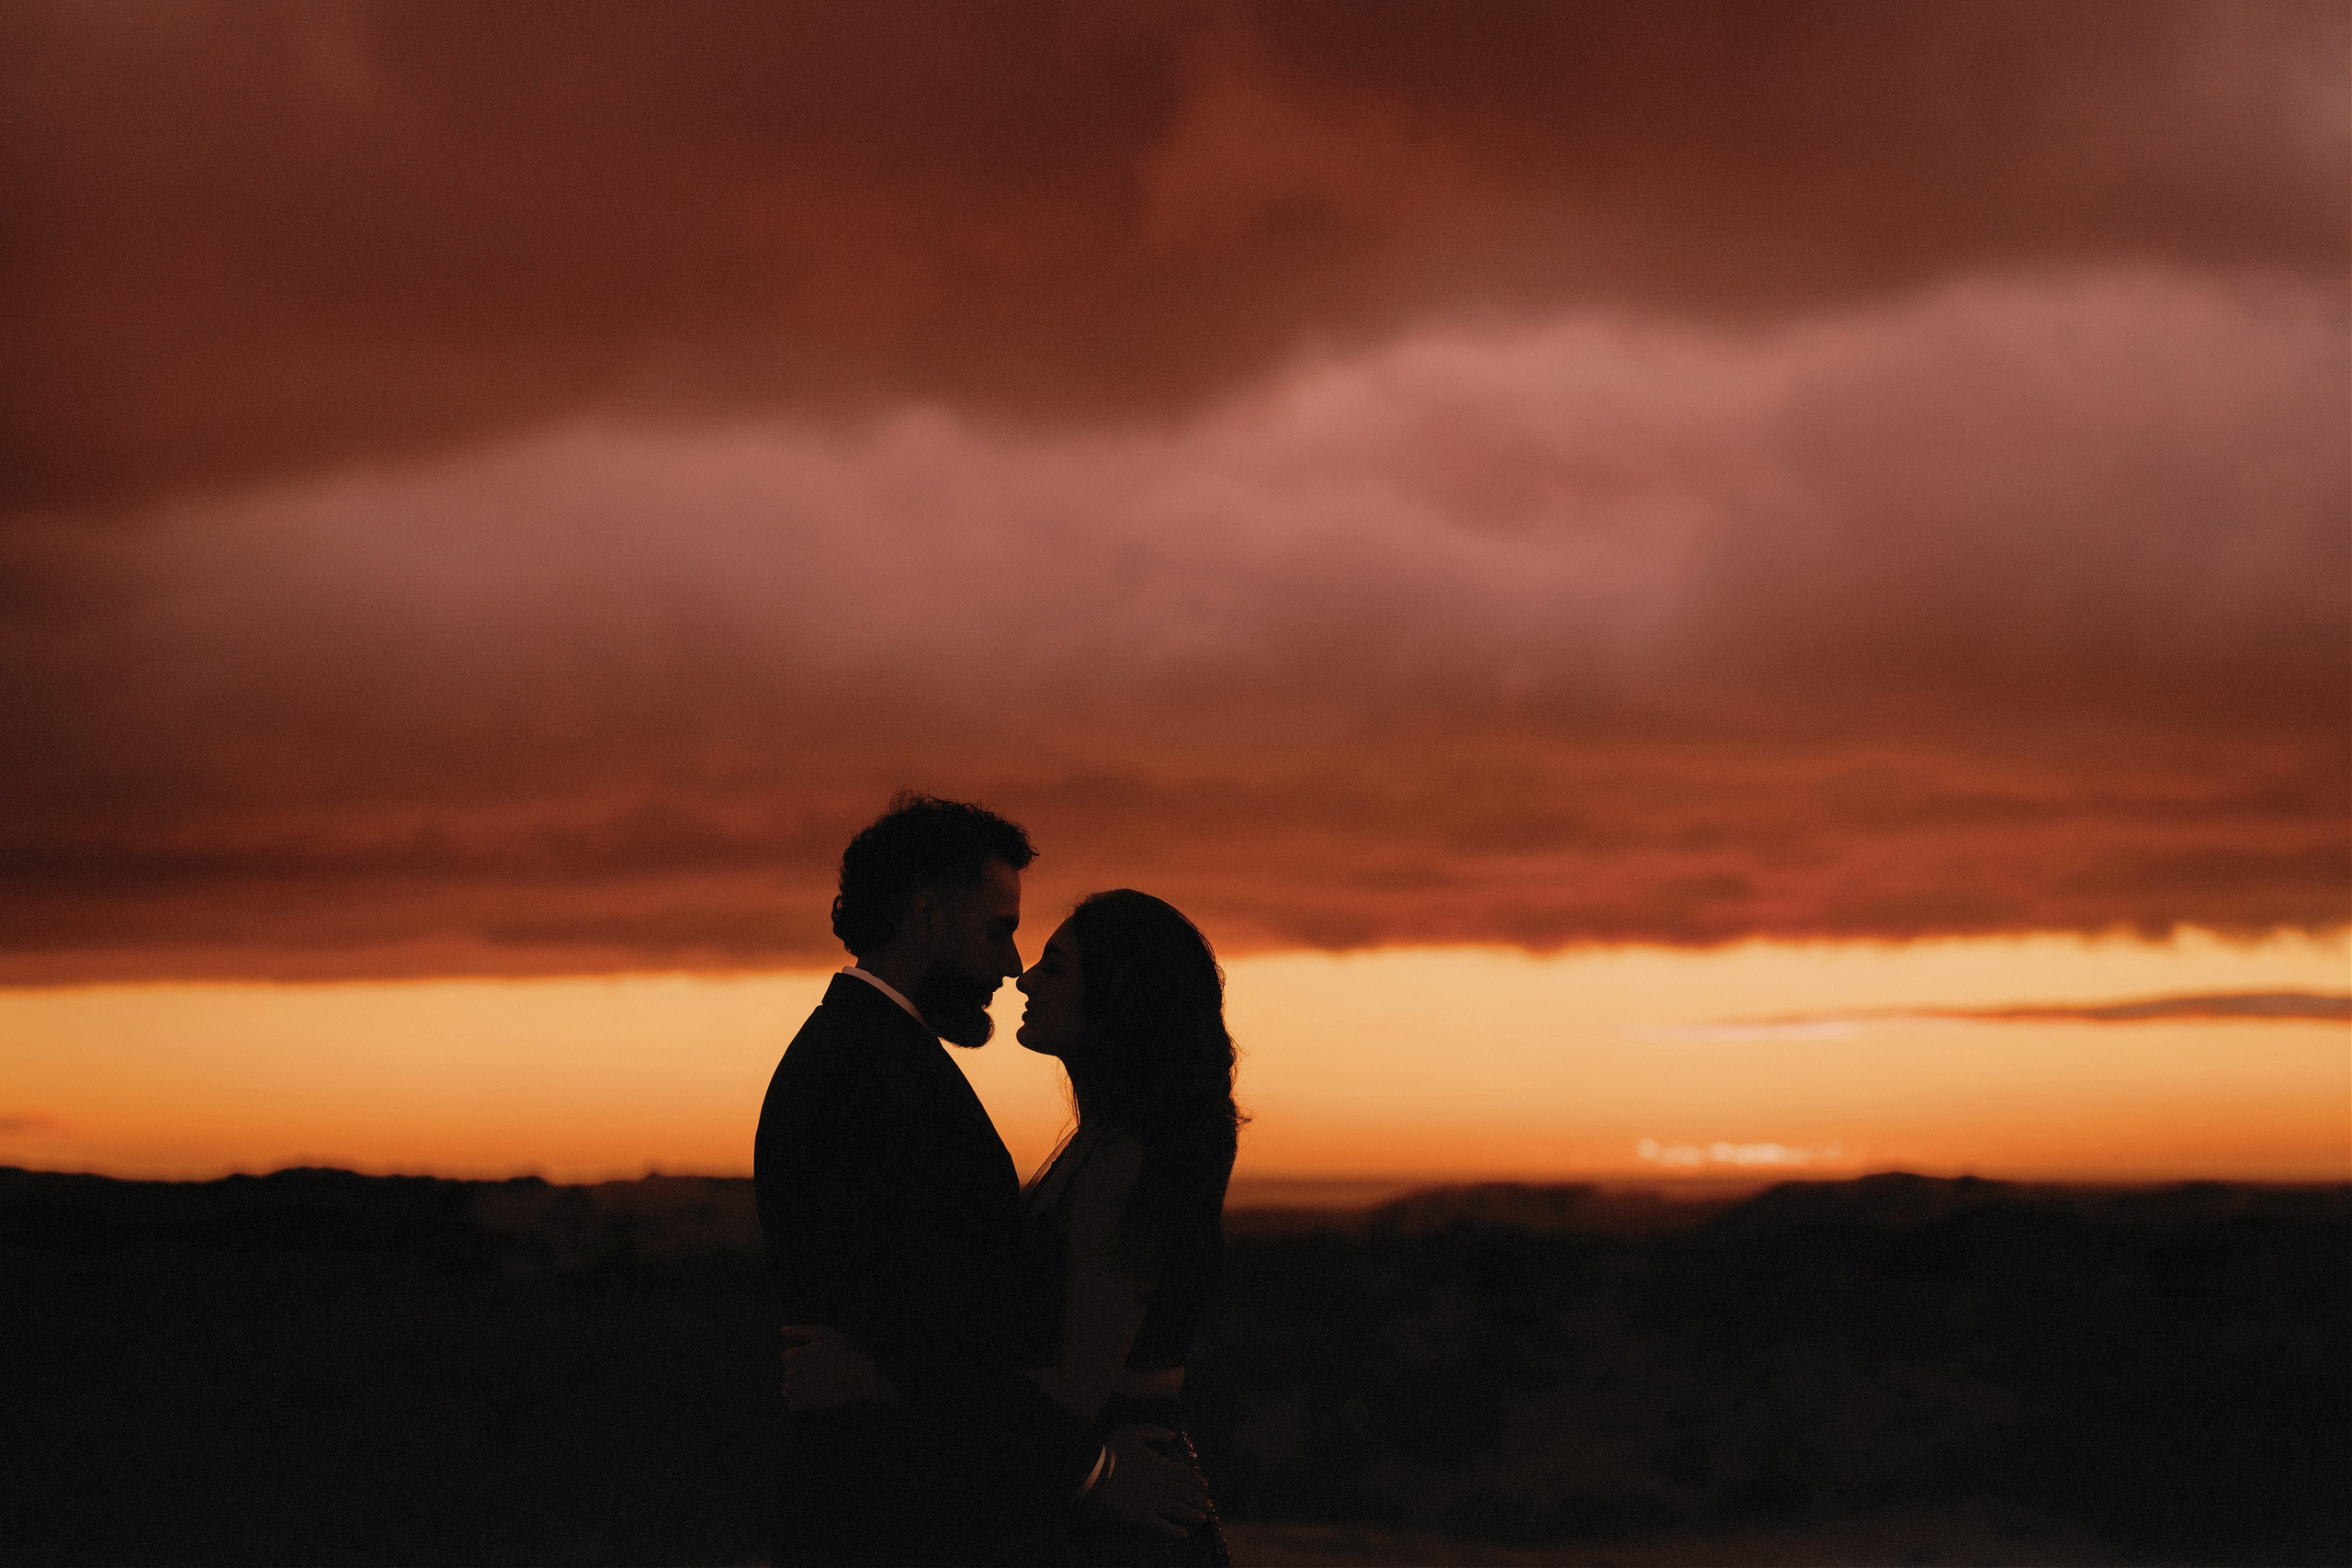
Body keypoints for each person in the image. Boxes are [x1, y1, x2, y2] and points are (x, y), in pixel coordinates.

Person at [754, 795, 1209, 1566]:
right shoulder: (874, 1078)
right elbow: (935, 1332)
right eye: (999, 929)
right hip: (886, 1517)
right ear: (928, 919)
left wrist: (875, 1374)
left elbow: (933, 1334)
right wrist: (1093, 1470)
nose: (1011, 964)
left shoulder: (870, 1058)